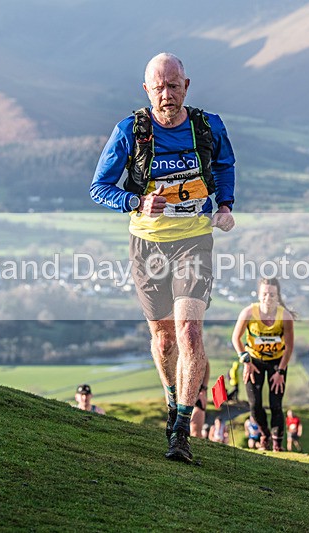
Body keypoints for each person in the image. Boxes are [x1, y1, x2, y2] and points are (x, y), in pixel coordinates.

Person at [90, 53, 236, 463]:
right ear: (146, 89)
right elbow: (99, 187)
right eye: (158, 87)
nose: (166, 95)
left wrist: (225, 205)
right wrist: (135, 200)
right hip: (147, 245)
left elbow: (225, 164)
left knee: (189, 332)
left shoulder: (207, 126)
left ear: (186, 86)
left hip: (194, 241)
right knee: (164, 337)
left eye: (173, 86)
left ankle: (181, 430)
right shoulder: (130, 132)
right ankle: (173, 400)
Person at [232, 277, 296, 452]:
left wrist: (280, 371)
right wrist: (246, 360)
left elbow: (289, 347)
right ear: (259, 295)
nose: (268, 297)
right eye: (265, 294)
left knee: (276, 404)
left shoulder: (285, 316)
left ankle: (277, 444)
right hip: (254, 361)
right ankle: (264, 434)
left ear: (277, 296)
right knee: (255, 404)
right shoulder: (248, 313)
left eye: (272, 294)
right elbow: (235, 338)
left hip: (277, 362)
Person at [189, 360, 210, 439]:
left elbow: (206, 363)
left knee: (195, 430)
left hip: (198, 393)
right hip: (180, 394)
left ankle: (195, 449)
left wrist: (203, 390)